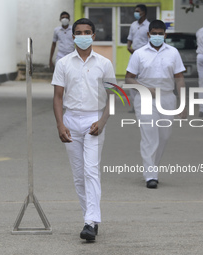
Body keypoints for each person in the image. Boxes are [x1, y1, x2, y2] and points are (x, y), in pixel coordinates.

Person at [52, 18, 116, 241]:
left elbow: (113, 98)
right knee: (79, 176)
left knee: (91, 170)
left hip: (94, 120)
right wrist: (60, 124)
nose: (82, 35)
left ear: (94, 36)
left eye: (87, 32)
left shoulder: (104, 64)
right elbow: (58, 97)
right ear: (73, 36)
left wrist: (103, 121)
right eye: (78, 32)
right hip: (71, 120)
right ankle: (89, 218)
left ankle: (90, 223)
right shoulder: (64, 64)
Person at [125, 20, 187, 189]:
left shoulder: (173, 53)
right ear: (148, 34)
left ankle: (153, 169)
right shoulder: (139, 53)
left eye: (161, 33)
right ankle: (150, 175)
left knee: (164, 137)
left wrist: (183, 103)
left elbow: (179, 78)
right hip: (146, 99)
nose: (157, 36)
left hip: (167, 98)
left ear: (165, 35)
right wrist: (146, 89)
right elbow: (129, 78)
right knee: (149, 136)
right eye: (154, 33)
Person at [126, 4, 150, 113]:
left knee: (144, 81)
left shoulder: (149, 26)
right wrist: (128, 47)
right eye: (135, 11)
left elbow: (150, 43)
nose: (135, 13)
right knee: (130, 80)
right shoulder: (133, 25)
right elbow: (130, 38)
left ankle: (144, 104)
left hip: (145, 57)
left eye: (137, 11)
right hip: (133, 55)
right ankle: (136, 105)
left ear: (143, 13)